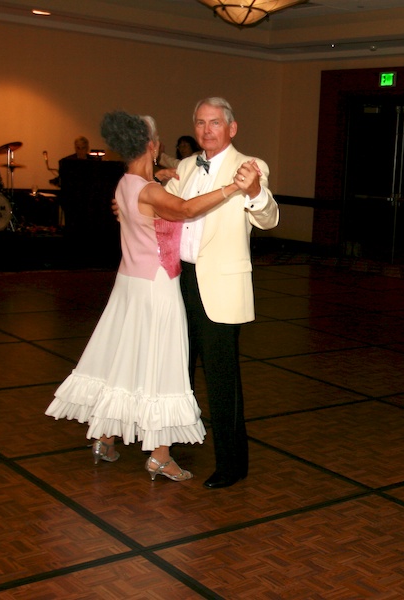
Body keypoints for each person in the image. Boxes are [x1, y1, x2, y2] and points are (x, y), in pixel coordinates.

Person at [45, 110, 253, 482]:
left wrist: (161, 177)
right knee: (159, 368)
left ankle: (105, 438)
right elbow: (187, 208)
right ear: (153, 146)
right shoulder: (151, 191)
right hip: (157, 288)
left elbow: (147, 199)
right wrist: (232, 188)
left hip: (128, 286)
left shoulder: (127, 184)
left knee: (123, 361)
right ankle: (159, 454)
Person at [163, 97, 279, 489]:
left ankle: (232, 464)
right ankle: (175, 439)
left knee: (221, 378)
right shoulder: (184, 166)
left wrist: (256, 192)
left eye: (214, 123)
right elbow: (171, 211)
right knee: (177, 369)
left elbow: (269, 218)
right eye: (199, 123)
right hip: (179, 280)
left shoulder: (250, 167)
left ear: (232, 128)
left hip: (220, 286)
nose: (205, 130)